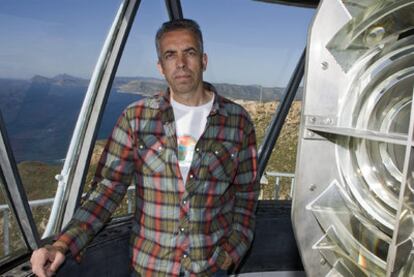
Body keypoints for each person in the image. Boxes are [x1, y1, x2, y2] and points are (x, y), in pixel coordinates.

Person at [31, 18, 259, 277]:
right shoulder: (136, 118)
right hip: (150, 269)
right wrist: (62, 244)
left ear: (204, 60)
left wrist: (230, 255)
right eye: (170, 55)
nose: (181, 63)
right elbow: (108, 189)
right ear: (160, 67)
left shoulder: (237, 121)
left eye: (190, 52)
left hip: (211, 269)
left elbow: (246, 195)